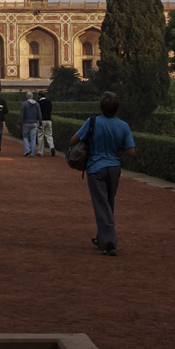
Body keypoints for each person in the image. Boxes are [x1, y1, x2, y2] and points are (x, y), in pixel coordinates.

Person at [72, 91, 136, 257]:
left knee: (101, 205)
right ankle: (102, 236)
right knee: (108, 203)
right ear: (117, 109)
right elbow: (131, 151)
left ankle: (108, 243)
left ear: (101, 107)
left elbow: (74, 140)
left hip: (96, 167)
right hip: (114, 167)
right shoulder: (123, 126)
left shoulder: (93, 122)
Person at [19, 91, 41, 157]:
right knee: (33, 138)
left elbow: (22, 114)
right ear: (32, 96)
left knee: (25, 136)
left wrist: (19, 122)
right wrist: (40, 122)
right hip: (34, 123)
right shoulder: (37, 104)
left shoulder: (24, 104)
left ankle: (27, 149)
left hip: (26, 123)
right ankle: (32, 153)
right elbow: (39, 114)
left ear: (26, 97)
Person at [37, 90, 55, 157]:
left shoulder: (38, 103)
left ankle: (40, 151)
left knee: (40, 136)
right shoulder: (49, 102)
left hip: (41, 121)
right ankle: (52, 147)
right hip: (49, 120)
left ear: (39, 95)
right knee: (49, 135)